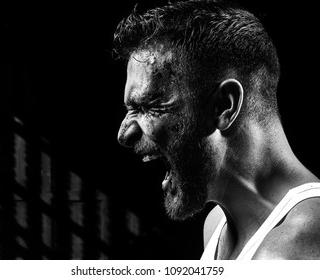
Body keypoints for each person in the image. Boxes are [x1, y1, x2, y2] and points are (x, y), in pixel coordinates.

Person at [114, 0, 320, 259]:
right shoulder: (216, 225)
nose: (124, 134)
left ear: (225, 105)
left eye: (149, 105)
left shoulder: (294, 248)